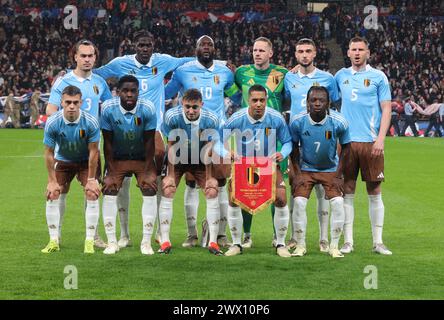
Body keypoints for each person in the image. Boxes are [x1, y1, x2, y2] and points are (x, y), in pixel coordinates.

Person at [94, 30, 195, 248]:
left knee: (155, 179)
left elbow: (188, 60)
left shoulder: (163, 61)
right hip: (124, 127)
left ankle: (159, 231)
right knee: (122, 181)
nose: (145, 49)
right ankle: (124, 234)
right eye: (141, 45)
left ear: (153, 45)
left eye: (148, 45)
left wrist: (222, 62)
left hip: (153, 129)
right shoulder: (121, 63)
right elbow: (98, 73)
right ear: (134, 45)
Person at [164, 35, 240, 248]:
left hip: (219, 134)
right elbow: (166, 93)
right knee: (191, 183)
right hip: (189, 136)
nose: (206, 47)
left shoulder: (224, 72)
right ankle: (192, 234)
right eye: (202, 44)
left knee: (221, 183)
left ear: (215, 49)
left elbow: (237, 97)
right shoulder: (183, 71)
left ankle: (221, 233)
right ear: (195, 48)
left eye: (210, 45)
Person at [46, 39, 112, 248]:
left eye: (90, 56)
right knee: (59, 191)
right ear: (75, 56)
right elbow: (50, 110)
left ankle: (93, 236)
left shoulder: (100, 82)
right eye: (82, 55)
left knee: (92, 190)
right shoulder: (63, 81)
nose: (86, 59)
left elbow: (109, 108)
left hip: (91, 149)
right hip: (64, 149)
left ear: (95, 57)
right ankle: (57, 235)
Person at [215, 84, 292, 258]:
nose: (258, 104)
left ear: (266, 100)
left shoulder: (275, 118)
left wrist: (283, 152)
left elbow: (287, 141)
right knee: (235, 200)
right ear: (248, 101)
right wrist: (227, 153)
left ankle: (280, 243)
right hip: (245, 166)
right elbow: (218, 141)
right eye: (255, 100)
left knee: (280, 198)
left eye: (262, 100)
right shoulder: (237, 118)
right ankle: (236, 243)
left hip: (268, 166)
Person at [335, 36, 392, 255]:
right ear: (348, 53)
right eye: (353, 49)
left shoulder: (378, 77)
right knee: (347, 190)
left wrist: (381, 139)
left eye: (361, 49)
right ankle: (348, 241)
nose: (357, 53)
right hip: (347, 143)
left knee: (374, 190)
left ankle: (378, 242)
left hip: (371, 142)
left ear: (368, 52)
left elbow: (386, 108)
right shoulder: (340, 76)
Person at [283, 38, 340, 253]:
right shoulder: (289, 78)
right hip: (296, 139)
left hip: (322, 137)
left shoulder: (327, 78)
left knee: (322, 191)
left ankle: (323, 238)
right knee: (296, 188)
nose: (304, 55)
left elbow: (334, 104)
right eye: (300, 51)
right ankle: (294, 237)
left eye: (308, 51)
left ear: (315, 53)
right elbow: (286, 99)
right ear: (296, 55)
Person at [234, 37, 289, 249]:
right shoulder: (241, 72)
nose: (257, 53)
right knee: (247, 187)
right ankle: (246, 235)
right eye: (255, 50)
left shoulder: (281, 74)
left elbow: (289, 94)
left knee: (277, 188)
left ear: (271, 53)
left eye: (262, 50)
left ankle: (278, 236)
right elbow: (234, 90)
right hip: (246, 135)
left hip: (273, 134)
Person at [288, 86, 350, 258]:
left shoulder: (339, 121)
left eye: (321, 100)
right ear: (307, 103)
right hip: (306, 169)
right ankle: (300, 245)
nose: (317, 103)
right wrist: (297, 173)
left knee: (337, 203)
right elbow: (293, 148)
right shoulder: (297, 121)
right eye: (313, 100)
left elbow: (346, 148)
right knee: (299, 203)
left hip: (330, 169)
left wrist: (338, 175)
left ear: (328, 103)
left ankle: (334, 246)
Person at [160, 88, 222, 255]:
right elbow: (171, 145)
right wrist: (171, 175)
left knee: (211, 190)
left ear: (201, 104)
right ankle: (165, 241)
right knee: (168, 188)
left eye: (195, 107)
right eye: (187, 106)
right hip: (178, 159)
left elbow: (210, 149)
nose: (191, 111)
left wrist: (209, 178)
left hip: (201, 161)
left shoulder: (211, 119)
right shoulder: (172, 117)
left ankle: (213, 242)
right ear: (182, 104)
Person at [100, 75, 157, 255]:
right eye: (125, 91)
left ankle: (146, 242)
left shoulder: (147, 108)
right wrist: (109, 170)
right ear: (118, 93)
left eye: (133, 91)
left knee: (149, 187)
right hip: (118, 157)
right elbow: (107, 142)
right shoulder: (108, 109)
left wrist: (148, 170)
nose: (130, 94)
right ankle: (112, 241)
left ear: (139, 92)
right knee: (109, 187)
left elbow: (150, 142)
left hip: (141, 157)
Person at [41, 85, 101, 254]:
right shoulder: (53, 122)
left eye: (75, 102)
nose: (72, 106)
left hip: (84, 161)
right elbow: (48, 153)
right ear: (62, 103)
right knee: (53, 193)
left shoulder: (90, 121)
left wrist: (91, 179)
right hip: (63, 160)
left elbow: (94, 151)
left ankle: (89, 240)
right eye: (68, 102)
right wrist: (52, 181)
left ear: (81, 102)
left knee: (92, 193)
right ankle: (54, 239)